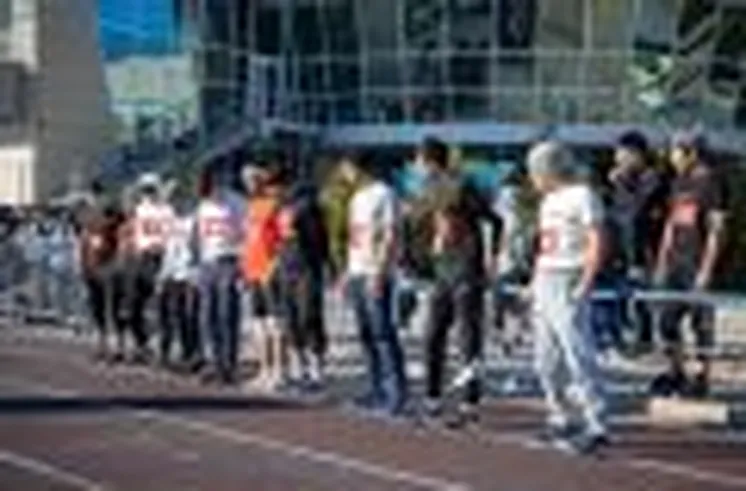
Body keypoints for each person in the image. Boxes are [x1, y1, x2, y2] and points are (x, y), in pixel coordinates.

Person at [413, 137, 502, 427]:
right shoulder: (426, 189)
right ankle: (433, 399)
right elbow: (423, 226)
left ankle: (469, 404)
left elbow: (495, 221)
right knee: (432, 334)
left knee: (468, 338)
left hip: (467, 267)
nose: (415, 166)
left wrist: (492, 258)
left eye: (418, 160)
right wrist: (423, 256)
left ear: (428, 160)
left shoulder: (462, 184)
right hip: (442, 269)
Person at [526, 140, 608, 453]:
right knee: (544, 358)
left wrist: (586, 280)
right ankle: (560, 415)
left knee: (578, 352)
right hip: (546, 278)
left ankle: (596, 422)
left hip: (569, 275)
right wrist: (534, 283)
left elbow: (597, 239)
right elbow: (544, 246)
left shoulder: (583, 195)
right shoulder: (547, 202)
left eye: (535, 171)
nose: (533, 178)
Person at [651, 130, 728, 398]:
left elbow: (717, 230)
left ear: (691, 153)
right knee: (667, 321)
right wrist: (662, 260)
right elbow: (671, 224)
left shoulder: (713, 183)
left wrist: (706, 270)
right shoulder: (678, 182)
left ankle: (701, 376)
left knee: (701, 323)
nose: (672, 156)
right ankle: (675, 371)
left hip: (697, 262)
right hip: (676, 262)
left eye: (676, 151)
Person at [339, 151, 408, 417]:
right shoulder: (356, 198)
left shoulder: (384, 194)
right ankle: (375, 387)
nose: (345, 174)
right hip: (358, 270)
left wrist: (380, 270)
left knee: (382, 332)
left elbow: (391, 234)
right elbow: (354, 238)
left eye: (347, 168)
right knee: (366, 333)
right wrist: (347, 271)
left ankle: (395, 393)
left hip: (375, 272)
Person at [607, 131, 669, 353]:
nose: (618, 159)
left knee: (641, 296)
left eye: (623, 154)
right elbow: (615, 212)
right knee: (621, 296)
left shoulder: (652, 179)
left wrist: (622, 183)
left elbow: (638, 209)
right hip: (620, 250)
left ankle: (645, 338)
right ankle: (624, 338)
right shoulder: (620, 183)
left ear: (637, 154)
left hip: (643, 249)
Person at [274, 177, 331, 391]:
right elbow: (279, 239)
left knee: (309, 316)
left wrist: (327, 265)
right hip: (288, 266)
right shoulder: (284, 208)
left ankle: (315, 368)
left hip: (306, 268)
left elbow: (320, 241)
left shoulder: (308, 210)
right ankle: (302, 367)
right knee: (293, 318)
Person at [240, 157, 290, 391]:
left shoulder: (275, 204)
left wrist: (274, 265)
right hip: (253, 270)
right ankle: (264, 369)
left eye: (253, 179)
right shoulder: (251, 206)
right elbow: (248, 239)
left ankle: (279, 371)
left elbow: (283, 238)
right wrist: (245, 268)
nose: (249, 184)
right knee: (258, 324)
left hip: (269, 271)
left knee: (275, 324)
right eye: (246, 181)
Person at [195, 170, 243, 385]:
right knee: (208, 315)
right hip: (208, 262)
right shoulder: (203, 207)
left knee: (227, 313)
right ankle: (214, 361)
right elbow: (199, 237)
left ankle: (229, 364)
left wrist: (241, 264)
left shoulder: (235, 202)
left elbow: (246, 232)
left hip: (229, 260)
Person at [122, 173, 174, 362]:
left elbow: (170, 236)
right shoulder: (139, 209)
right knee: (132, 304)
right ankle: (141, 343)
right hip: (141, 257)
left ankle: (162, 347)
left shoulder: (166, 210)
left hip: (160, 257)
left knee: (161, 305)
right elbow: (132, 230)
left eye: (151, 190)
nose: (148, 194)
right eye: (145, 190)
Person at [156, 196, 201, 371]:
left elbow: (198, 248)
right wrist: (163, 275)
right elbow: (168, 250)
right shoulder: (170, 222)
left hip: (190, 273)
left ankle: (192, 353)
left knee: (190, 316)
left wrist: (195, 273)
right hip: (173, 274)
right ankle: (172, 352)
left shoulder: (194, 221)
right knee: (173, 314)